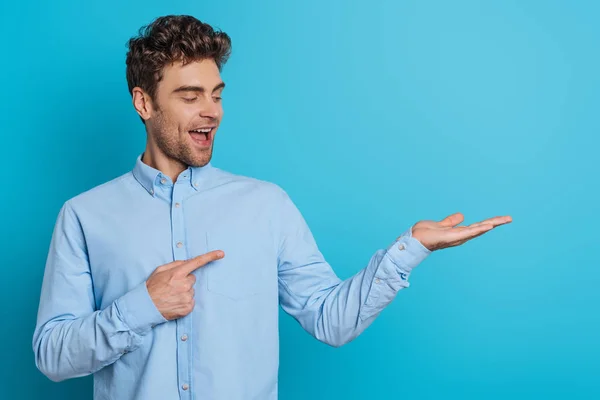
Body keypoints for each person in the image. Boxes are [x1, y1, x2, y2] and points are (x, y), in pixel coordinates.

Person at [32, 14, 512, 400]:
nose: (211, 111)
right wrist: (141, 307)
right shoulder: (84, 216)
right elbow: (52, 357)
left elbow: (331, 319)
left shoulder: (266, 205)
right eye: (190, 96)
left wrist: (410, 248)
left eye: (216, 95)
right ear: (144, 102)